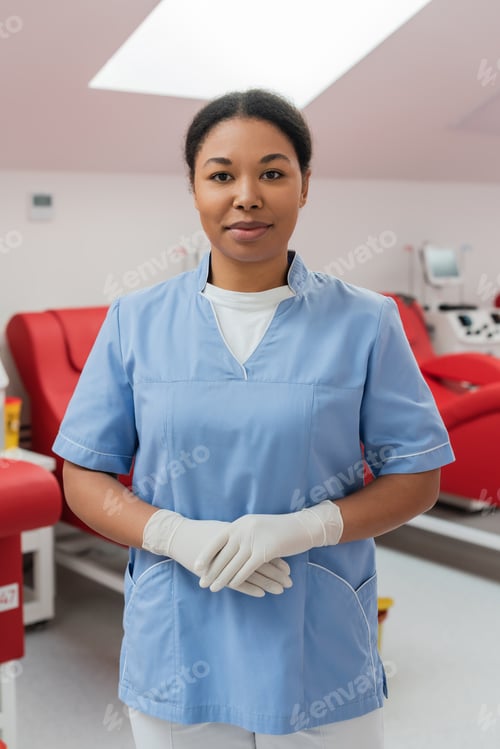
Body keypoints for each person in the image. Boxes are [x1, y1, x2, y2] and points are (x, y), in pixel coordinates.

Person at [52, 89, 454, 749]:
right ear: (194, 189)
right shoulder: (135, 320)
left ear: (304, 186)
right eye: (221, 175)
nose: (247, 194)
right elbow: (84, 473)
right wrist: (173, 533)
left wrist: (308, 524)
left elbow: (415, 477)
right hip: (179, 637)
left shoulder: (366, 321)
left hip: (318, 644)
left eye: (273, 172)